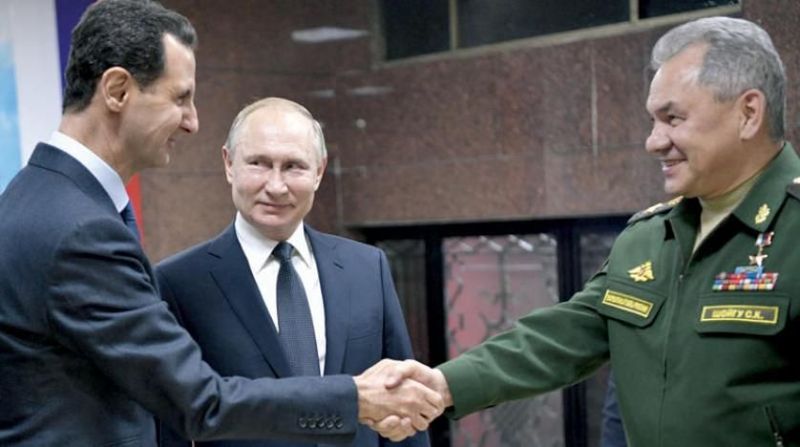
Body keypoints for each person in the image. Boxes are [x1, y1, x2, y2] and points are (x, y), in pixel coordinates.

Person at [0, 1, 442, 446]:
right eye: (180, 98)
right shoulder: (80, 230)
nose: (192, 122)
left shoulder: (40, 200)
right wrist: (354, 397)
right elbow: (199, 402)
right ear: (117, 90)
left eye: (294, 166)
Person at [375, 16, 800, 446]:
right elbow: (565, 336)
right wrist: (443, 385)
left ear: (748, 113)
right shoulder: (650, 236)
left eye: (673, 119)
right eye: (653, 122)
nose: (654, 142)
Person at [155, 97, 430, 447]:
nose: (275, 186)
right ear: (229, 164)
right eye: (258, 163)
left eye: (293, 166)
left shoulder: (366, 267)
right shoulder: (180, 282)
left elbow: (403, 403)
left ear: (319, 171)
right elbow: (172, 422)